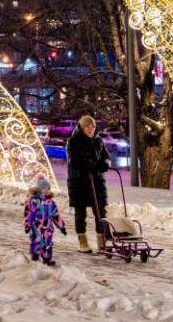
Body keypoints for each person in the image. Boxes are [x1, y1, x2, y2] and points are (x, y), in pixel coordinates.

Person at [66, 114, 110, 253]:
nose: (90, 129)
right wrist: (92, 166)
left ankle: (102, 241)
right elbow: (75, 162)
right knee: (81, 213)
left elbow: (106, 156)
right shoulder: (74, 142)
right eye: (87, 126)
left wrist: (105, 164)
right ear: (82, 127)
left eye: (92, 126)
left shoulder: (98, 141)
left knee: (101, 212)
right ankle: (82, 241)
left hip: (97, 181)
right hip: (79, 182)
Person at [23, 173, 66, 266]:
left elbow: (55, 215)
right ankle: (35, 256)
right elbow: (29, 213)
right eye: (43, 188)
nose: (46, 190)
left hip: (48, 228)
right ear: (39, 190)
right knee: (37, 241)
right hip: (37, 226)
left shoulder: (51, 202)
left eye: (48, 188)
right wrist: (27, 224)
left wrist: (61, 226)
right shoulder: (34, 201)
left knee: (48, 243)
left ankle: (47, 259)